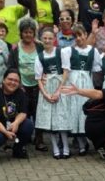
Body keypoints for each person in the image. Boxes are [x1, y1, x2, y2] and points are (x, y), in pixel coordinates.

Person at [8, 18, 48, 152]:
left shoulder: (40, 46)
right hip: (21, 85)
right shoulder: (15, 48)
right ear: (21, 33)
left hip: (38, 85)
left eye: (31, 32)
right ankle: (23, 138)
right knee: (23, 112)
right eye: (25, 32)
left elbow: (46, 63)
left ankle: (39, 139)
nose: (28, 35)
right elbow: (12, 67)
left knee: (39, 112)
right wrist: (18, 84)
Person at [34, 28, 72, 158]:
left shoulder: (61, 52)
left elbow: (66, 71)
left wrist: (58, 91)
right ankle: (55, 147)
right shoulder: (39, 57)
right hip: (47, 87)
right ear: (41, 39)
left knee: (61, 117)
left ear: (54, 39)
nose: (47, 40)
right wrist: (45, 94)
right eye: (45, 38)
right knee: (50, 119)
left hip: (60, 85)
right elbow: (38, 78)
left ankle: (66, 146)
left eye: (50, 38)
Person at [64, 24, 99, 156]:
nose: (78, 38)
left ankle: (85, 140)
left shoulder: (93, 51)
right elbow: (66, 69)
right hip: (73, 81)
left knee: (85, 110)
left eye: (80, 35)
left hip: (86, 82)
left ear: (85, 34)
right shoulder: (68, 51)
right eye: (75, 36)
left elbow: (97, 68)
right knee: (74, 110)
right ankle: (79, 141)